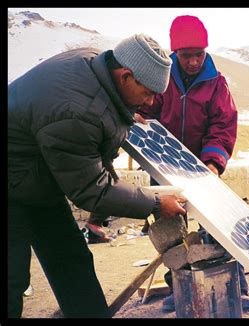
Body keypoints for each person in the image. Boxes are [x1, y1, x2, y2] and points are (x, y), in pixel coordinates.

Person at [8, 34, 188, 318]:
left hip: (36, 179)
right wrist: (155, 203)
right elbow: (93, 191)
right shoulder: (77, 110)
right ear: (127, 76)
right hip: (14, 182)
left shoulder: (96, 68)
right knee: (12, 275)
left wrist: (124, 116)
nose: (149, 101)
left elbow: (101, 116)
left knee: (71, 261)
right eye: (148, 93)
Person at [134, 15, 249, 312]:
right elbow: (146, 108)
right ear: (175, 53)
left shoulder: (216, 83)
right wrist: (138, 121)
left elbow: (223, 124)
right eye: (186, 56)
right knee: (170, 230)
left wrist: (212, 163)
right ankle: (181, 285)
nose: (193, 61)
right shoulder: (160, 77)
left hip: (202, 168)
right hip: (163, 167)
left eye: (199, 54)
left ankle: (236, 287)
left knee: (218, 227)